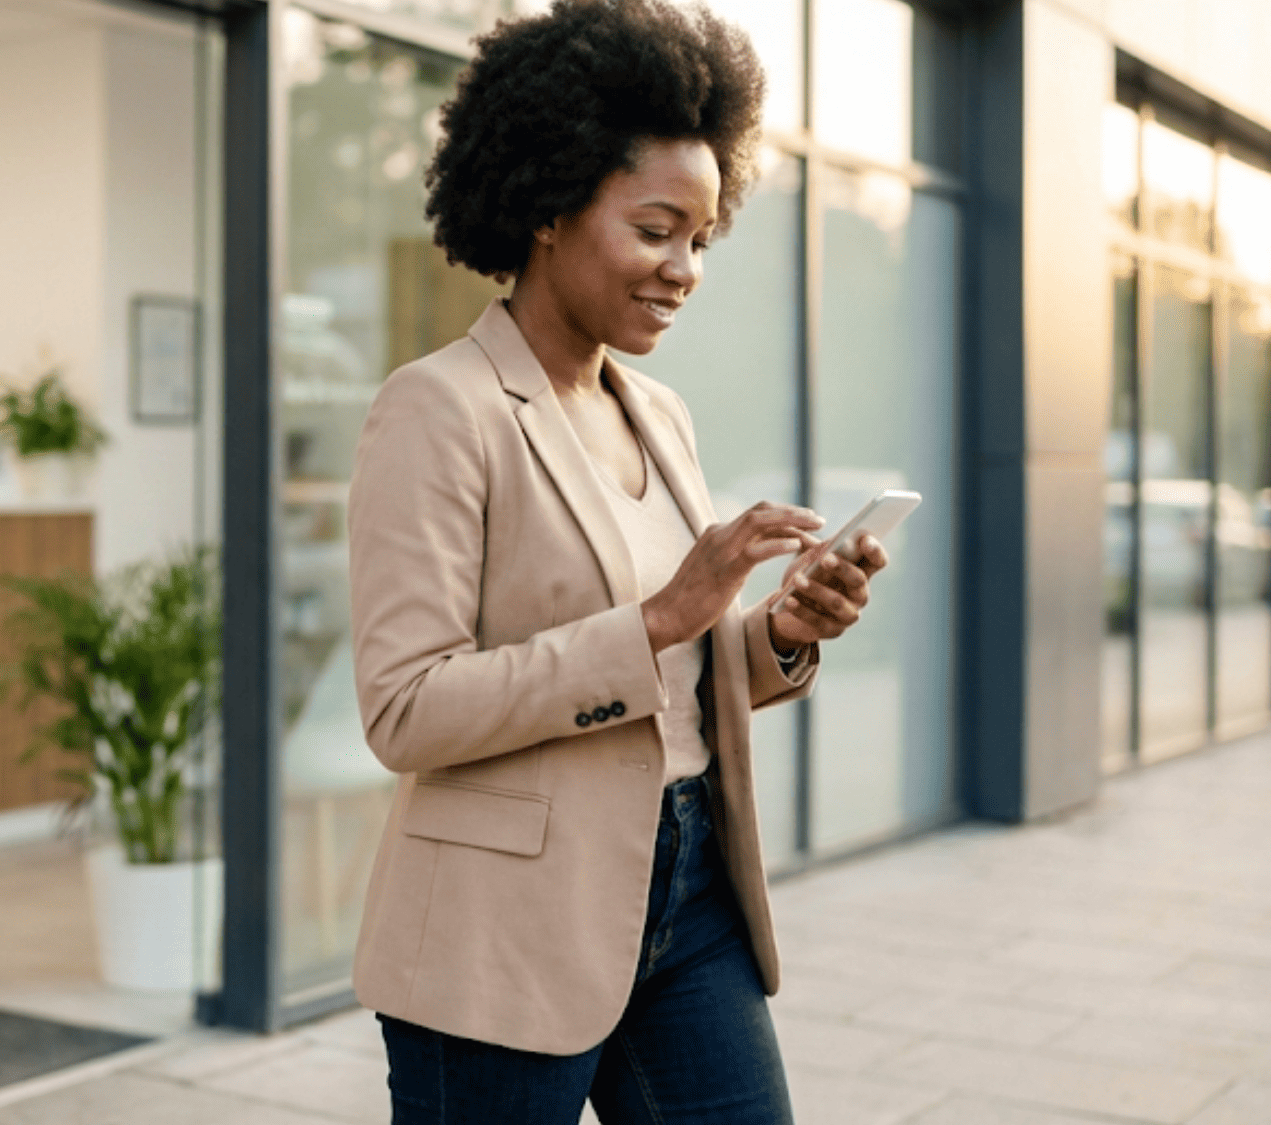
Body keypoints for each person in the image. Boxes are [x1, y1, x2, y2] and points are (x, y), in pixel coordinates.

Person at [346, 3, 889, 1122]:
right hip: (497, 931)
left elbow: (674, 676)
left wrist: (780, 632)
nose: (682, 268)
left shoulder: (659, 414)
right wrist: (653, 617)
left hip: (687, 897)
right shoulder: (437, 408)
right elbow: (404, 709)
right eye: (654, 230)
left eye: (698, 238)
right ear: (549, 205)